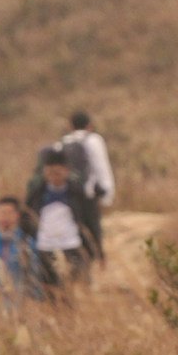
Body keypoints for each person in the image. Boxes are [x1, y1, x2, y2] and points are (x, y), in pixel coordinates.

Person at [55, 112, 115, 266]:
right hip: (88, 193)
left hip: (69, 193)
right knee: (93, 226)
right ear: (89, 125)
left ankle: (77, 260)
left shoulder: (62, 142)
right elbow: (101, 166)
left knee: (74, 227)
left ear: (70, 125)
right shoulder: (94, 140)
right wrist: (107, 193)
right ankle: (98, 259)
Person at [27, 157, 90, 290]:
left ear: (66, 171)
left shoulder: (77, 193)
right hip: (45, 246)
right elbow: (27, 217)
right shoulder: (37, 192)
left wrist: (94, 250)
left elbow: (90, 221)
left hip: (71, 245)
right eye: (50, 172)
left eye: (58, 172)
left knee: (71, 286)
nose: (54, 176)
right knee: (48, 288)